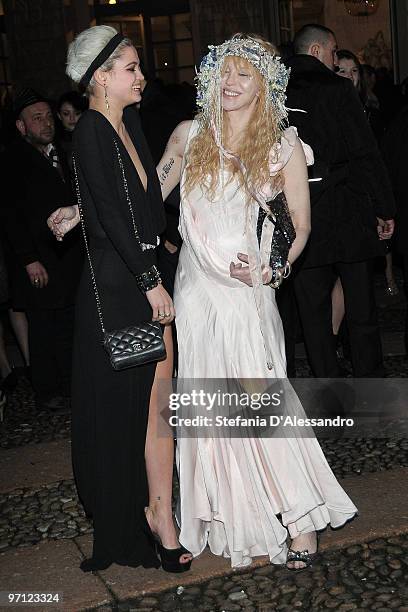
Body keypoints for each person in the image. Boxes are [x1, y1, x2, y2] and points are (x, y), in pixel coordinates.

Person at [154, 34, 357, 570]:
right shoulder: (189, 134)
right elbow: (144, 195)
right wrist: (85, 211)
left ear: (265, 83)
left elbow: (303, 224)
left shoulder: (282, 144)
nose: (231, 82)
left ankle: (301, 517)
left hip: (249, 290)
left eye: (245, 74)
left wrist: (276, 267)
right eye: (223, 72)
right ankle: (230, 511)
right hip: (196, 291)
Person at [47, 25, 191, 573]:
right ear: (100, 77)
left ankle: (160, 514)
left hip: (144, 275)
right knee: (121, 415)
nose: (141, 75)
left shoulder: (126, 123)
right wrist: (149, 281)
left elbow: (128, 199)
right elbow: (111, 211)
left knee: (156, 410)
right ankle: (123, 528)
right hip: (121, 288)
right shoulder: (89, 127)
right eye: (130, 67)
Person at [283, 24, 395, 378]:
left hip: (301, 215)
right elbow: (364, 152)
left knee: (313, 315)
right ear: (317, 51)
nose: (336, 59)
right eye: (334, 53)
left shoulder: (274, 91)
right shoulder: (337, 89)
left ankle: (327, 389)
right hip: (348, 212)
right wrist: (384, 207)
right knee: (361, 309)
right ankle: (369, 386)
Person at [3, 88, 82, 410]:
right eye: (37, 119)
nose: (46, 123)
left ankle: (71, 384)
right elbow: (9, 216)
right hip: (38, 260)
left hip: (67, 257)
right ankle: (47, 390)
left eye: (48, 117)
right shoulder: (12, 160)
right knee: (42, 327)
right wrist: (29, 259)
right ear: (21, 126)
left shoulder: (64, 152)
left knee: (67, 322)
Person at [337, 50, 398, 299]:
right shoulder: (331, 110)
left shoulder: (368, 109)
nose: (350, 77)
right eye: (342, 70)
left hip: (367, 195)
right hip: (342, 201)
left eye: (354, 72)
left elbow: (376, 159)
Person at [56, 90, 88, 162]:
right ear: (59, 116)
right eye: (66, 114)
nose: (72, 118)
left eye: (77, 113)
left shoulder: (92, 136)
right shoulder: (56, 144)